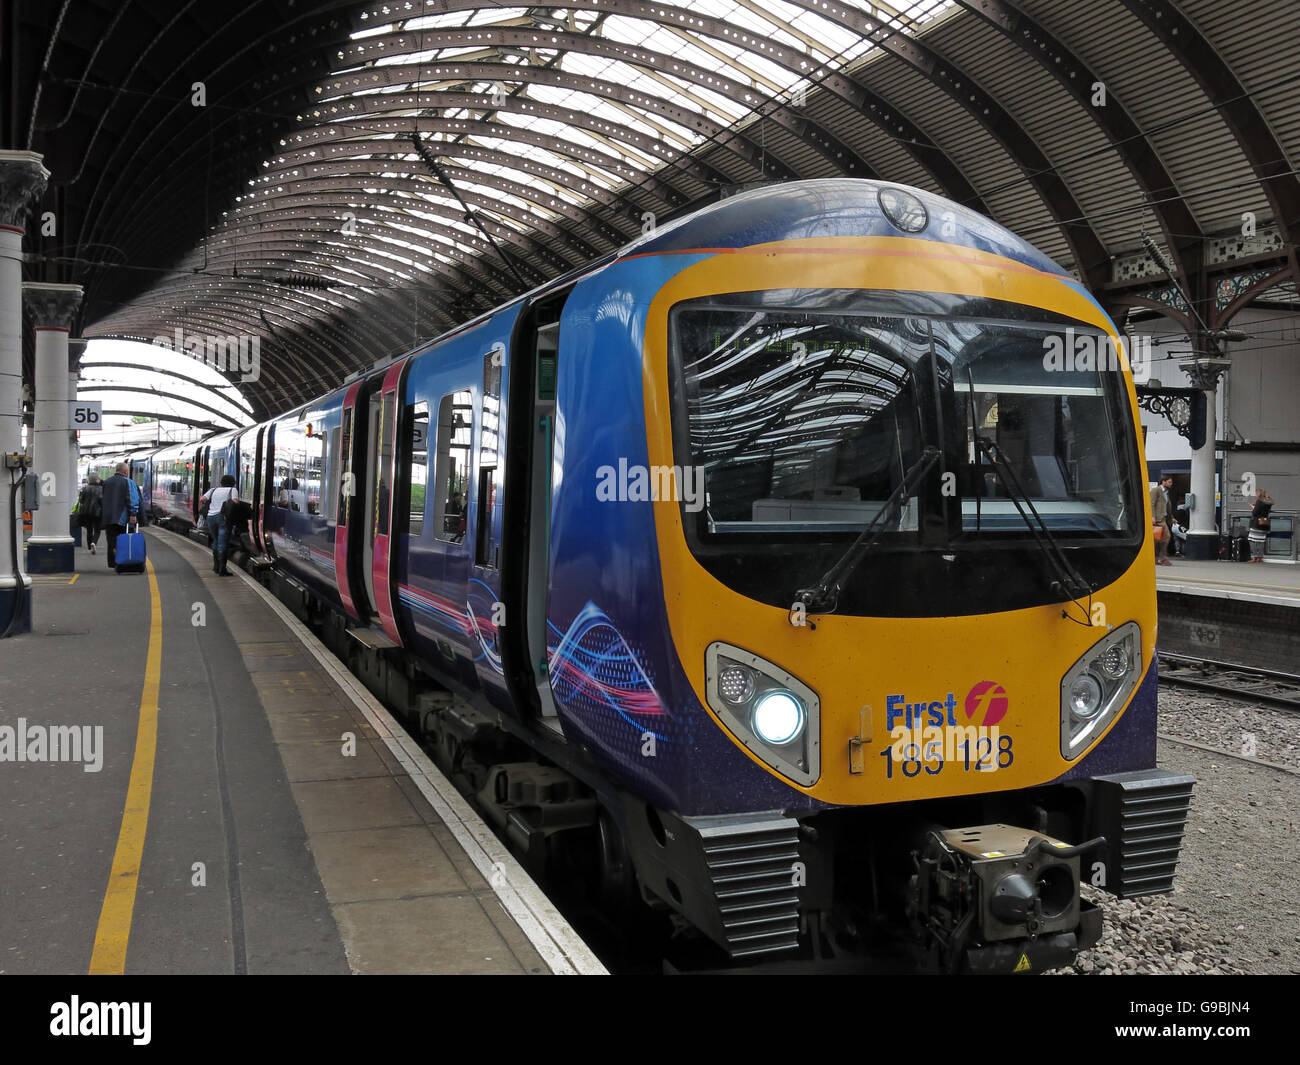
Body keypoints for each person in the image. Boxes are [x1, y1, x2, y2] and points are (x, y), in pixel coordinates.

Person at [100, 462, 140, 569]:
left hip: (108, 518)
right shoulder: (128, 482)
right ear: (126, 472)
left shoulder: (107, 482)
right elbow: (133, 499)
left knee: (112, 540)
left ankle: (113, 562)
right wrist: (133, 513)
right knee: (125, 540)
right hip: (122, 518)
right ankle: (124, 561)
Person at [200, 474, 240, 575]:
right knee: (223, 542)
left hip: (210, 517)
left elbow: (202, 499)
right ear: (233, 483)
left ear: (221, 482)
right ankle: (222, 569)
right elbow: (235, 501)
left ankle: (216, 567)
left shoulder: (213, 489)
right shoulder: (232, 490)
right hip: (223, 517)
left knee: (216, 540)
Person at [1150, 473, 1174, 566]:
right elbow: (1152, 503)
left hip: (1163, 519)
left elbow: (1168, 506)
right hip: (1157, 519)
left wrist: (1172, 518)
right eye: (1169, 482)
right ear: (1163, 482)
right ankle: (1162, 558)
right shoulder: (1156, 490)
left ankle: (1157, 558)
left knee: (1160, 539)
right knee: (1163, 537)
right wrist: (1152, 517)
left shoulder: (1166, 493)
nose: (1171, 483)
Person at [76, 473, 104, 555]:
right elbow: (102, 501)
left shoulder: (85, 488)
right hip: (97, 512)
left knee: (89, 529)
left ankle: (89, 546)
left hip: (86, 512)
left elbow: (81, 500)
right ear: (97, 479)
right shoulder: (101, 489)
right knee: (97, 530)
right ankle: (94, 542)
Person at [1248, 489, 1274, 563]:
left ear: (1258, 494)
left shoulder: (1259, 501)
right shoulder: (1269, 502)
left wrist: (1253, 507)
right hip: (1264, 524)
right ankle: (1260, 557)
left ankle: (1255, 557)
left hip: (1256, 524)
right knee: (1261, 541)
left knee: (1252, 540)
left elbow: (1255, 513)